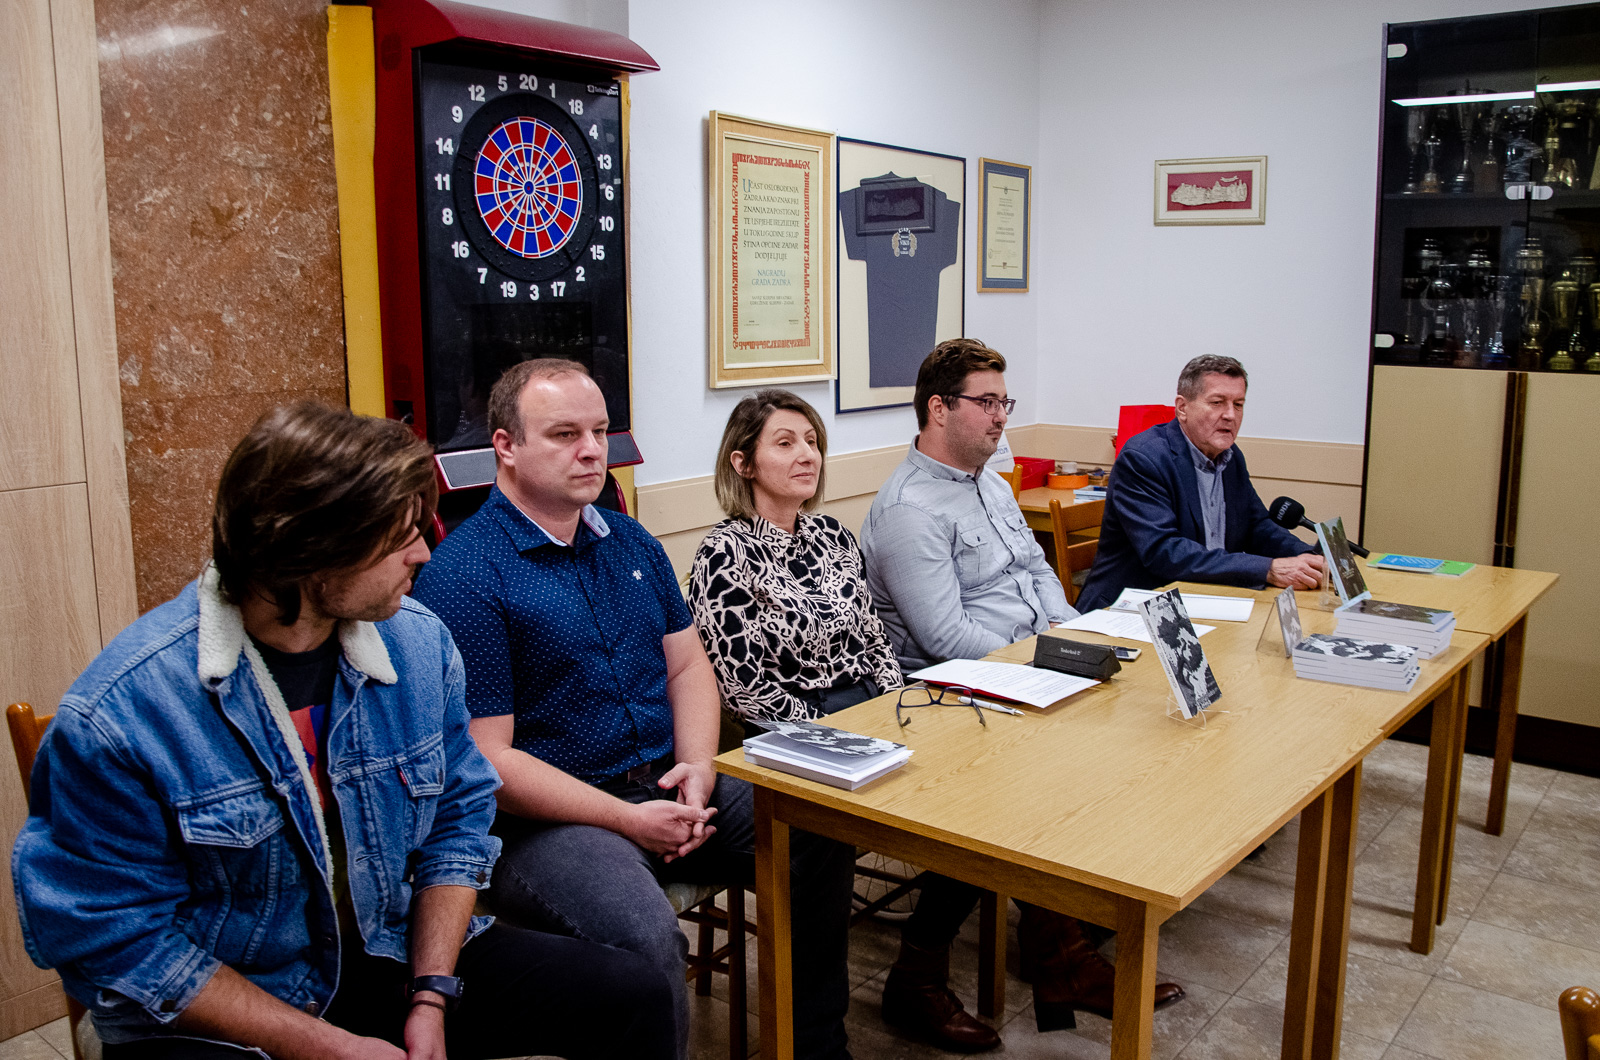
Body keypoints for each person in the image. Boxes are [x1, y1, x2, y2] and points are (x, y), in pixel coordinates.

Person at [12, 401, 674, 1060]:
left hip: (385, 952)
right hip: (230, 1000)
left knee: (630, 995)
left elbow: (457, 822)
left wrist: (430, 997)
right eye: (398, 536)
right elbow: (115, 937)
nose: (423, 553)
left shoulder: (419, 645)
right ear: (308, 549)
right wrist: (328, 1047)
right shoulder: (125, 709)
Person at [412, 360, 856, 1060]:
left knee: (820, 822)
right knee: (646, 940)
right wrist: (629, 819)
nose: (592, 450)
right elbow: (488, 760)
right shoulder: (467, 574)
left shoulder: (630, 541)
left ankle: (814, 1047)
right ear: (506, 446)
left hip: (667, 780)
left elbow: (689, 666)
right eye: (564, 434)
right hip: (552, 821)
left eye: (599, 431)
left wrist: (699, 768)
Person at [860, 339, 1185, 1051]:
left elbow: (1039, 573)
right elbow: (945, 636)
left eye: (1004, 401)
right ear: (938, 409)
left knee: (1136, 738)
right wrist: (1050, 663)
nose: (1001, 416)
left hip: (1024, 669)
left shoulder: (992, 484)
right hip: (947, 694)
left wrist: (1073, 640)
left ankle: (1060, 944)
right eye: (986, 402)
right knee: (1027, 787)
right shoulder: (910, 509)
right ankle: (920, 973)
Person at [688, 389, 902, 728]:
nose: (808, 456)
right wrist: (829, 731)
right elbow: (743, 691)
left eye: (812, 442)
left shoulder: (834, 534)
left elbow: (876, 640)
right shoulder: (724, 553)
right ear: (743, 464)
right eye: (785, 443)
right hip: (796, 726)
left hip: (873, 705)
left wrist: (894, 703)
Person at [1076, 354, 1326, 612]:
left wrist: (1311, 558)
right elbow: (1166, 552)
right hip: (1132, 609)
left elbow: (1257, 527)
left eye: (1238, 404)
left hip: (1203, 599)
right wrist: (1268, 569)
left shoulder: (1231, 457)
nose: (1230, 415)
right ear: (1182, 408)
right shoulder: (1144, 458)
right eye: (1217, 403)